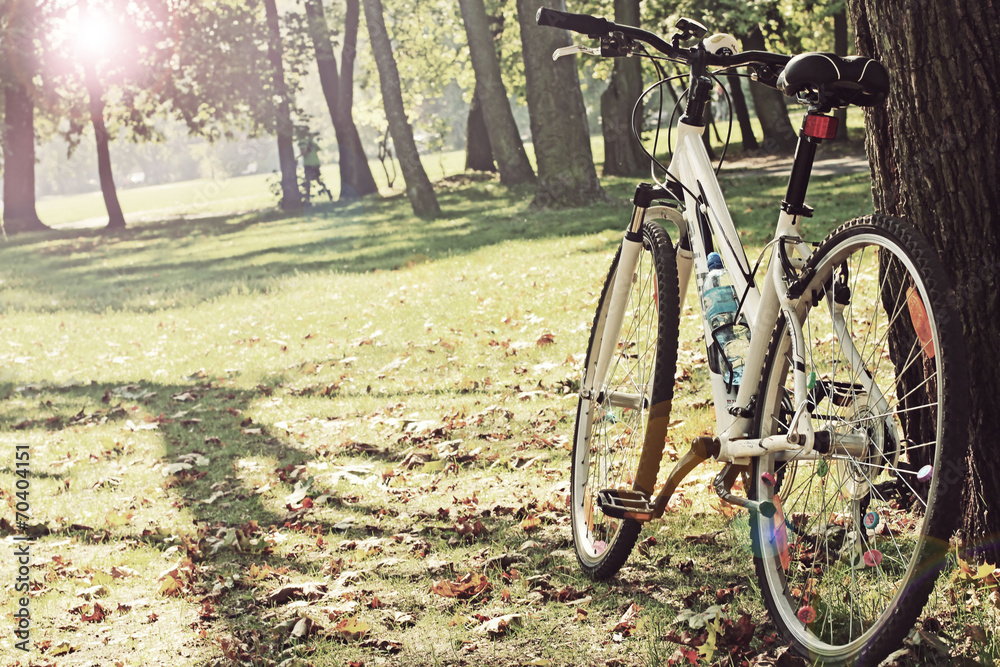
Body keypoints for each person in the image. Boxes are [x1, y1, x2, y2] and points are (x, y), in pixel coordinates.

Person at [298, 135, 333, 204]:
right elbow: (315, 149)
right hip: (312, 164)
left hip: (311, 164)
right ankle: (309, 198)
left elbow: (307, 151)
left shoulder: (306, 142)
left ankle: (309, 198)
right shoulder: (307, 142)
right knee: (313, 181)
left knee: (312, 181)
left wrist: (298, 156)